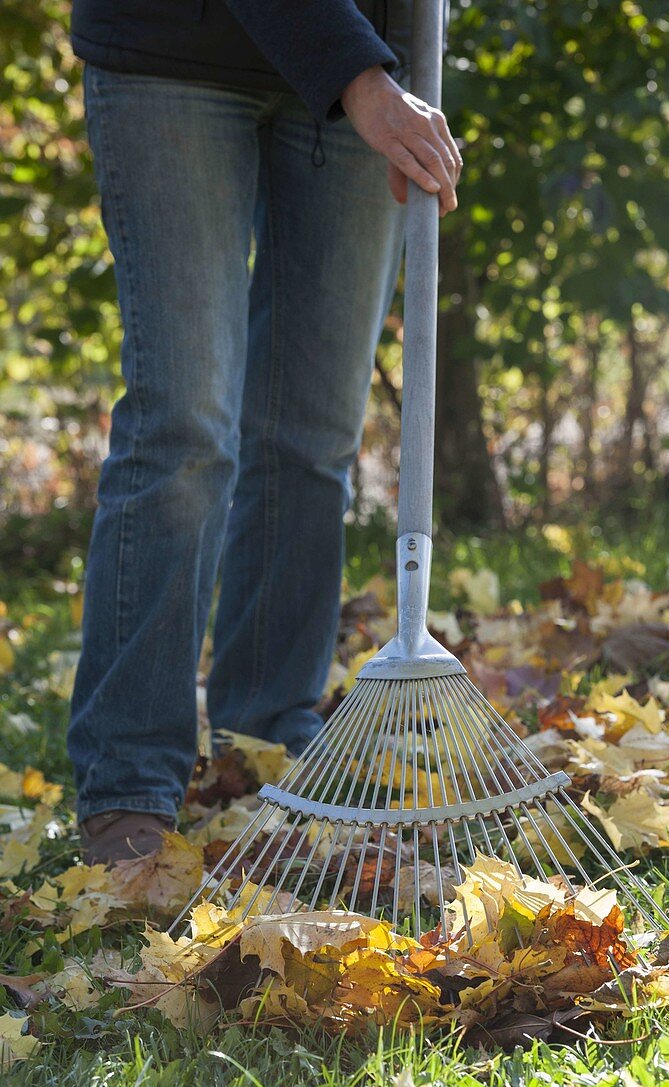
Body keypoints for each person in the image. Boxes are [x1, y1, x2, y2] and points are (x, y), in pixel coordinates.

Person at [67, 0, 461, 865]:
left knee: (312, 438)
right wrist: (359, 78)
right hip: (175, 51)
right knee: (185, 429)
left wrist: (378, 64)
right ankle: (130, 776)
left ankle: (267, 732)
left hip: (370, 61)